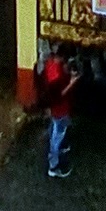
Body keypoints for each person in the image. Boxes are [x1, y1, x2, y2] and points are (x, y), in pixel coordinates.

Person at [36, 49, 76, 180]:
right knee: (57, 136)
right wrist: (71, 83)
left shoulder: (50, 65)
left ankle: (59, 147)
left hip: (57, 110)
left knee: (55, 129)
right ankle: (53, 166)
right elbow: (58, 96)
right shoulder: (56, 75)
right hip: (60, 110)